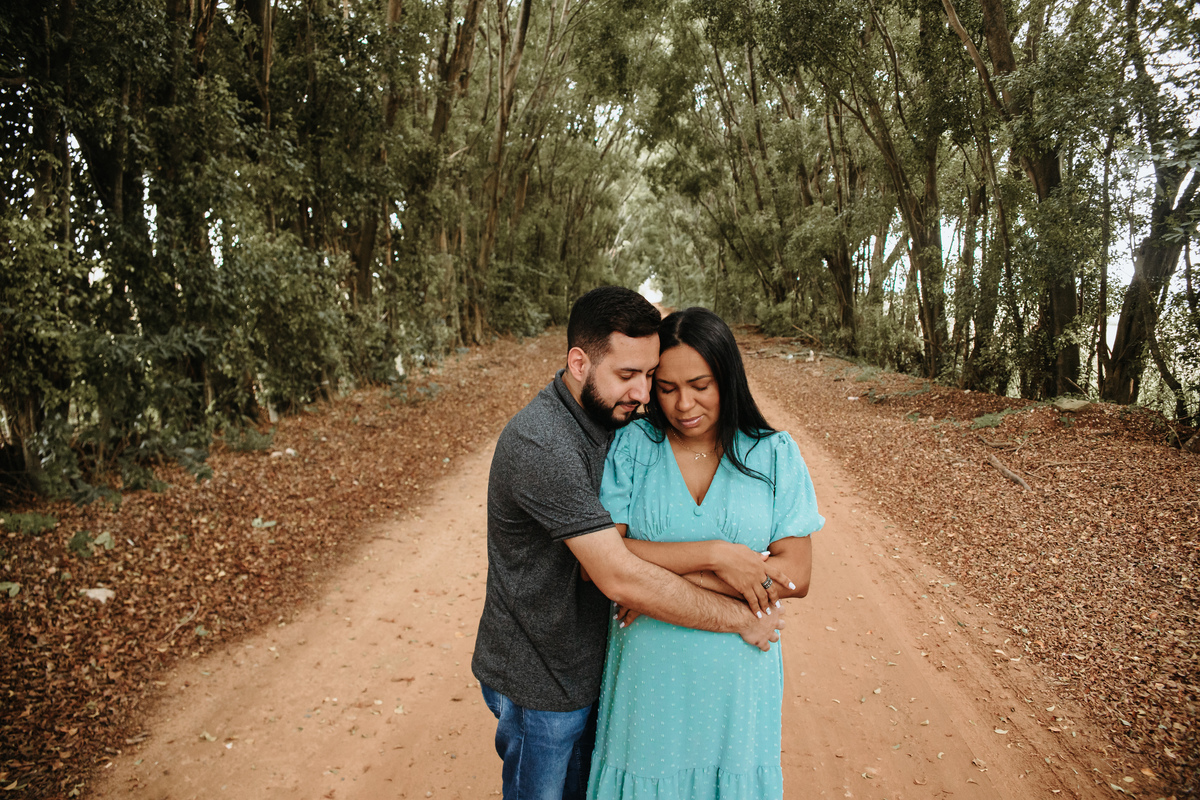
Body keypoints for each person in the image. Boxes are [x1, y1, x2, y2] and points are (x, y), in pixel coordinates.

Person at [472, 288, 793, 800]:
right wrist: (740, 614)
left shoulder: (615, 421)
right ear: (579, 362)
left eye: (649, 376)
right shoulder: (542, 444)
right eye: (627, 376)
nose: (644, 395)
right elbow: (617, 572)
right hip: (542, 680)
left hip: (591, 666)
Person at [587, 306, 824, 800]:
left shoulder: (774, 454)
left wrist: (650, 577)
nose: (683, 404)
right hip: (648, 677)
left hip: (738, 680)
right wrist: (717, 556)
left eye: (701, 384)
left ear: (727, 377)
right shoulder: (634, 446)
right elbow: (607, 559)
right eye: (667, 387)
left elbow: (796, 576)